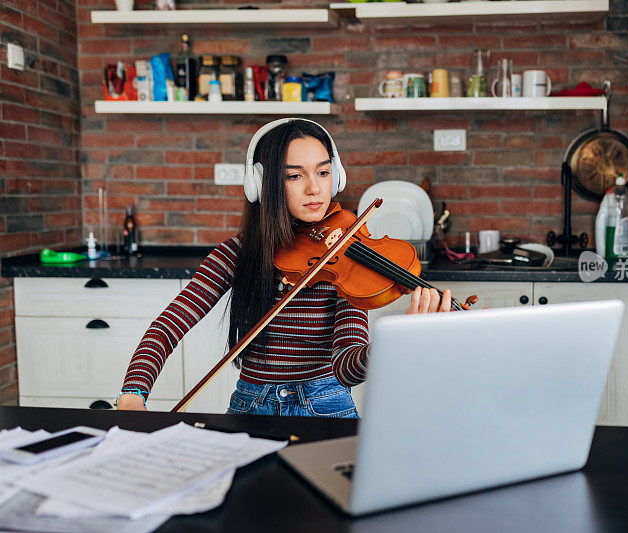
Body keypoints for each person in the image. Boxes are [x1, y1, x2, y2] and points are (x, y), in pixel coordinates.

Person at [116, 118, 451, 417]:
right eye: (294, 175)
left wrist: (392, 344)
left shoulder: (345, 255)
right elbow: (170, 324)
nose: (314, 188)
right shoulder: (239, 253)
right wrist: (133, 392)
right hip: (251, 405)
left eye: (323, 172)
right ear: (263, 184)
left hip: (325, 406)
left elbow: (347, 368)